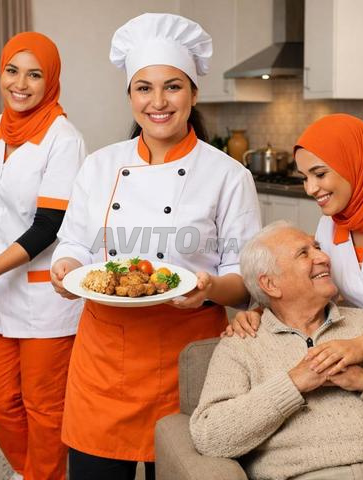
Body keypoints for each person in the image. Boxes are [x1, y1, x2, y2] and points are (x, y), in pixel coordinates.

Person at [49, 13, 261, 480]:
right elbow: (75, 242)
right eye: (144, 88)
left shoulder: (228, 175)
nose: (158, 101)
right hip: (103, 355)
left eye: (173, 87)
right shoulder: (99, 166)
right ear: (130, 95)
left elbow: (244, 280)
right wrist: (65, 266)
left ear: (193, 94)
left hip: (188, 356)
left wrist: (209, 289)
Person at [0, 32, 85, 480]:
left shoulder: (63, 138)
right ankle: (35, 472)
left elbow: (48, 226)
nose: (20, 84)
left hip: (44, 296)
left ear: (51, 81)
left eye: (34, 74)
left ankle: (41, 475)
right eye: (12, 70)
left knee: (43, 407)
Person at [190, 222, 363, 480]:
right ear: (270, 284)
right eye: (304, 253)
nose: (323, 258)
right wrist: (293, 384)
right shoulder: (242, 344)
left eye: (318, 247)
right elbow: (210, 436)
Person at [226, 114, 363, 375]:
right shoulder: (331, 223)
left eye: (320, 174)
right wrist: (259, 313)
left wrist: (361, 346)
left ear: (355, 162)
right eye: (304, 177)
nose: (310, 188)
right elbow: (313, 283)